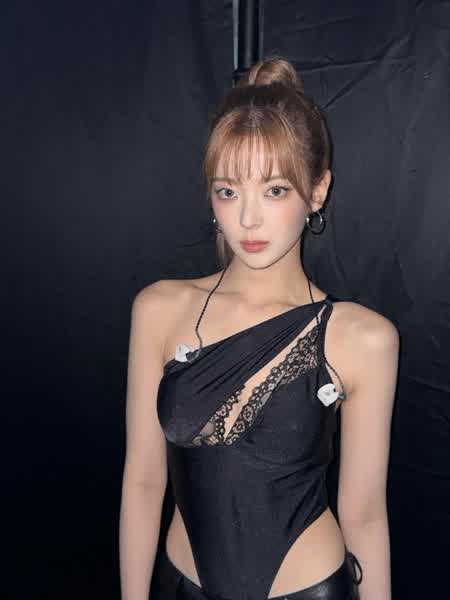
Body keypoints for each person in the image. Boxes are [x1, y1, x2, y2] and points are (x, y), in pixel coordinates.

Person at [119, 55, 399, 600]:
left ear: (317, 191)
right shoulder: (159, 310)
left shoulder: (363, 339)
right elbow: (144, 480)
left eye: (275, 190)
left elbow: (364, 513)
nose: (248, 219)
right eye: (228, 191)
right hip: (182, 586)